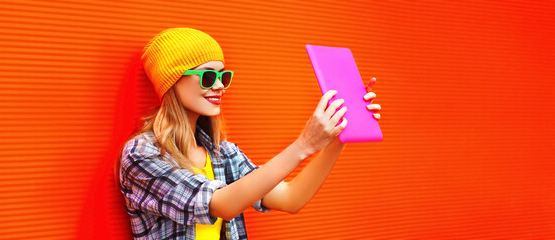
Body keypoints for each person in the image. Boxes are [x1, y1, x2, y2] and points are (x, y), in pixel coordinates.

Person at [117, 28, 381, 240]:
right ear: (172, 82)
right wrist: (304, 144)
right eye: (208, 77)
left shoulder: (222, 152)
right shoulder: (143, 154)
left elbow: (291, 199)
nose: (220, 86)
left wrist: (339, 135)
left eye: (224, 76)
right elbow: (220, 204)